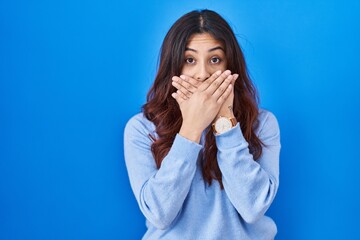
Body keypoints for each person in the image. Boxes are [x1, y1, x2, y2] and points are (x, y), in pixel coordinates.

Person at [124, 9, 281, 240]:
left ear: (231, 67)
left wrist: (225, 121)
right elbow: (159, 214)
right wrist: (191, 129)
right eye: (190, 60)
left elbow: (253, 208)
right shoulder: (141, 128)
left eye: (215, 60)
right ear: (173, 67)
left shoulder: (263, 124)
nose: (202, 74)